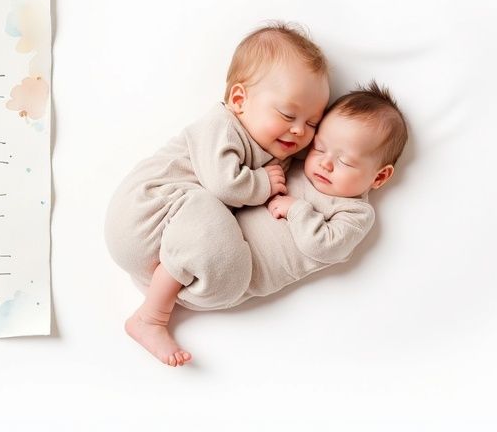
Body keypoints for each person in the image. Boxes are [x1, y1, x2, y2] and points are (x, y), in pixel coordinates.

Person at [105, 22, 330, 366]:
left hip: (166, 241)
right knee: (212, 224)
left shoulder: (271, 148)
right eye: (288, 114)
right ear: (240, 100)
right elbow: (224, 183)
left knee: (221, 259)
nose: (299, 130)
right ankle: (150, 318)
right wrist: (264, 185)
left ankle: (163, 290)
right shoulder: (220, 126)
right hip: (145, 211)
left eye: (312, 123)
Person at [230, 81, 408, 307]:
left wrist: (296, 210)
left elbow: (326, 247)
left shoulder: (356, 213)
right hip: (223, 228)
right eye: (319, 148)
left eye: (345, 161)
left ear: (379, 177)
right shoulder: (295, 164)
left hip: (240, 273)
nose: (325, 163)